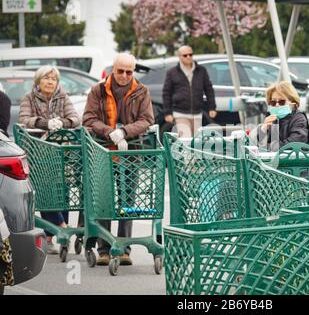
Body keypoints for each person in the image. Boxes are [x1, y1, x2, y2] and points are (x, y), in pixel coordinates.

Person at [83, 52, 154, 266]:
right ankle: (104, 249)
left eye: (129, 72)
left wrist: (125, 132)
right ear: (113, 70)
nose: (124, 75)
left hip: (131, 152)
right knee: (104, 200)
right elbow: (88, 118)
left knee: (127, 201)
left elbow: (147, 119)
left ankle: (123, 248)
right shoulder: (98, 90)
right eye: (120, 71)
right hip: (103, 151)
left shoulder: (141, 91)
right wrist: (108, 132)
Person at [18, 65, 81, 254]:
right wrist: (44, 123)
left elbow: (75, 119)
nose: (50, 82)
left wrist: (62, 122)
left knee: (62, 190)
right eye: (46, 78)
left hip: (61, 152)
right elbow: (24, 119)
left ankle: (55, 233)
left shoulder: (63, 97)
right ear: (38, 81)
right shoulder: (29, 98)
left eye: (53, 79)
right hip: (38, 152)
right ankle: (60, 225)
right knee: (46, 190)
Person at [162, 45, 217, 138]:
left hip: (197, 112)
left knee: (196, 141)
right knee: (185, 139)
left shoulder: (201, 70)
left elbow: (209, 89)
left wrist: (212, 107)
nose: (188, 57)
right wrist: (167, 113)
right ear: (179, 57)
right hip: (180, 113)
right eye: (185, 55)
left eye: (190, 54)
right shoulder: (172, 72)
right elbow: (166, 93)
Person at [254, 81, 309, 151]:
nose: (277, 105)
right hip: (274, 160)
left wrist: (268, 148)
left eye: (282, 102)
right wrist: (263, 129)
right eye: (273, 102)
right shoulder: (271, 118)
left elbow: (293, 145)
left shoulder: (299, 119)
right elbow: (257, 146)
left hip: (294, 160)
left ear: (293, 101)